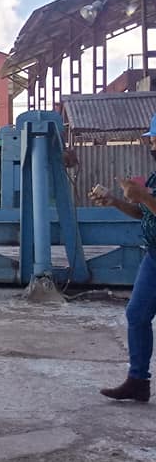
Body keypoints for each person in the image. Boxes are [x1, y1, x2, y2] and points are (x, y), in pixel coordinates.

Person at [96, 113, 156, 403]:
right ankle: (138, 381)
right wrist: (117, 201)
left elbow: (147, 203)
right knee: (137, 314)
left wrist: (144, 197)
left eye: (155, 139)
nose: (152, 144)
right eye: (152, 140)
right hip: (154, 257)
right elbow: (142, 213)